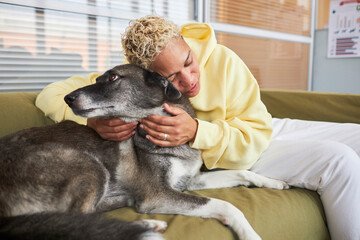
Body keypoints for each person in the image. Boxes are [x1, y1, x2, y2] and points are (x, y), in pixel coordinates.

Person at [36, 15, 360, 240]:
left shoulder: (223, 60)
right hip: (237, 150)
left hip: (251, 132)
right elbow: (51, 93)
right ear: (147, 78)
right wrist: (89, 120)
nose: (189, 80)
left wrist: (196, 132)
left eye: (188, 62)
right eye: (172, 78)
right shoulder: (134, 78)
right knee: (341, 160)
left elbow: (258, 132)